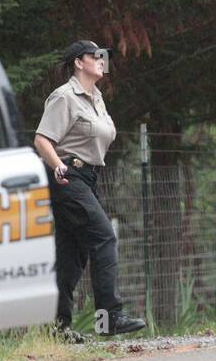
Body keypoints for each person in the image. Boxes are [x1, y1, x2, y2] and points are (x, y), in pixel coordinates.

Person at [34, 41, 146, 339]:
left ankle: (56, 328)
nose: (101, 59)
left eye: (102, 56)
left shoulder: (96, 98)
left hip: (88, 179)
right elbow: (42, 140)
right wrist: (57, 165)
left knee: (73, 254)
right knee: (104, 237)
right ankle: (109, 318)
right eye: (94, 56)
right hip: (67, 177)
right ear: (78, 63)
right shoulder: (65, 97)